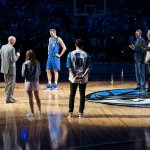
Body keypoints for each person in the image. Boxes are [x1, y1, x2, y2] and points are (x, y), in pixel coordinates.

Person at [66, 39, 92, 118]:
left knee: (72, 94)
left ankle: (70, 112)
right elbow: (89, 67)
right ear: (82, 46)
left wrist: (75, 75)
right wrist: (83, 75)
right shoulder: (86, 54)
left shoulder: (70, 54)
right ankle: (81, 113)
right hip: (83, 78)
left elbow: (69, 67)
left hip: (73, 78)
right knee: (82, 95)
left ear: (75, 45)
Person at [21, 50, 41, 117]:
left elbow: (23, 74)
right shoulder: (37, 62)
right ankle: (39, 111)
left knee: (30, 97)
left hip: (28, 81)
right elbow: (39, 73)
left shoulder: (25, 63)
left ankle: (32, 113)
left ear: (27, 55)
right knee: (37, 97)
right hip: (36, 81)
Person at [0, 36, 20, 103]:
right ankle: (8, 98)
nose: (15, 42)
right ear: (12, 41)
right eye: (14, 40)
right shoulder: (12, 48)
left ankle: (9, 97)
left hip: (4, 67)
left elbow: (1, 56)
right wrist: (17, 55)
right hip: (11, 69)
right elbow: (13, 59)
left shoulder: (3, 47)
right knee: (11, 83)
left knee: (7, 83)